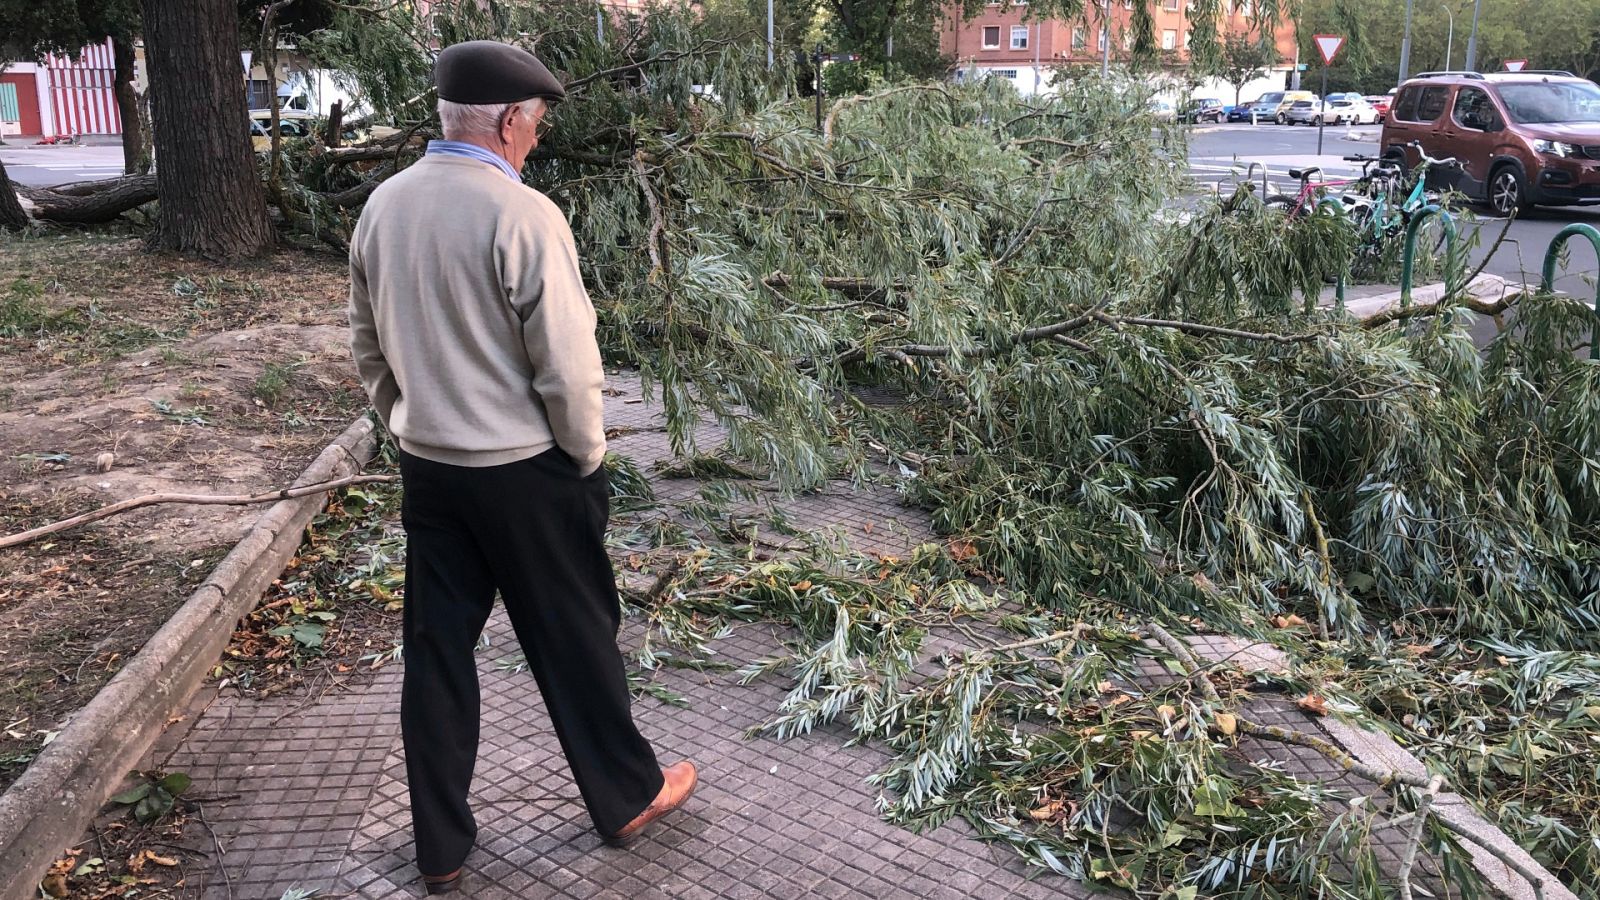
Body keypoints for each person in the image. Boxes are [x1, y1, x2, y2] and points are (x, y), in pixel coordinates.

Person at [347, 40, 697, 895]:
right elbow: (568, 368)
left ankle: (440, 847)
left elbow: (366, 342)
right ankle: (627, 797)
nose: (534, 142)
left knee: (437, 653)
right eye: (534, 127)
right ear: (508, 121)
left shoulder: (383, 207)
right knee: (575, 638)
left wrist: (405, 421)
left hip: (431, 472)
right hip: (527, 472)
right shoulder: (523, 215)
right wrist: (586, 456)